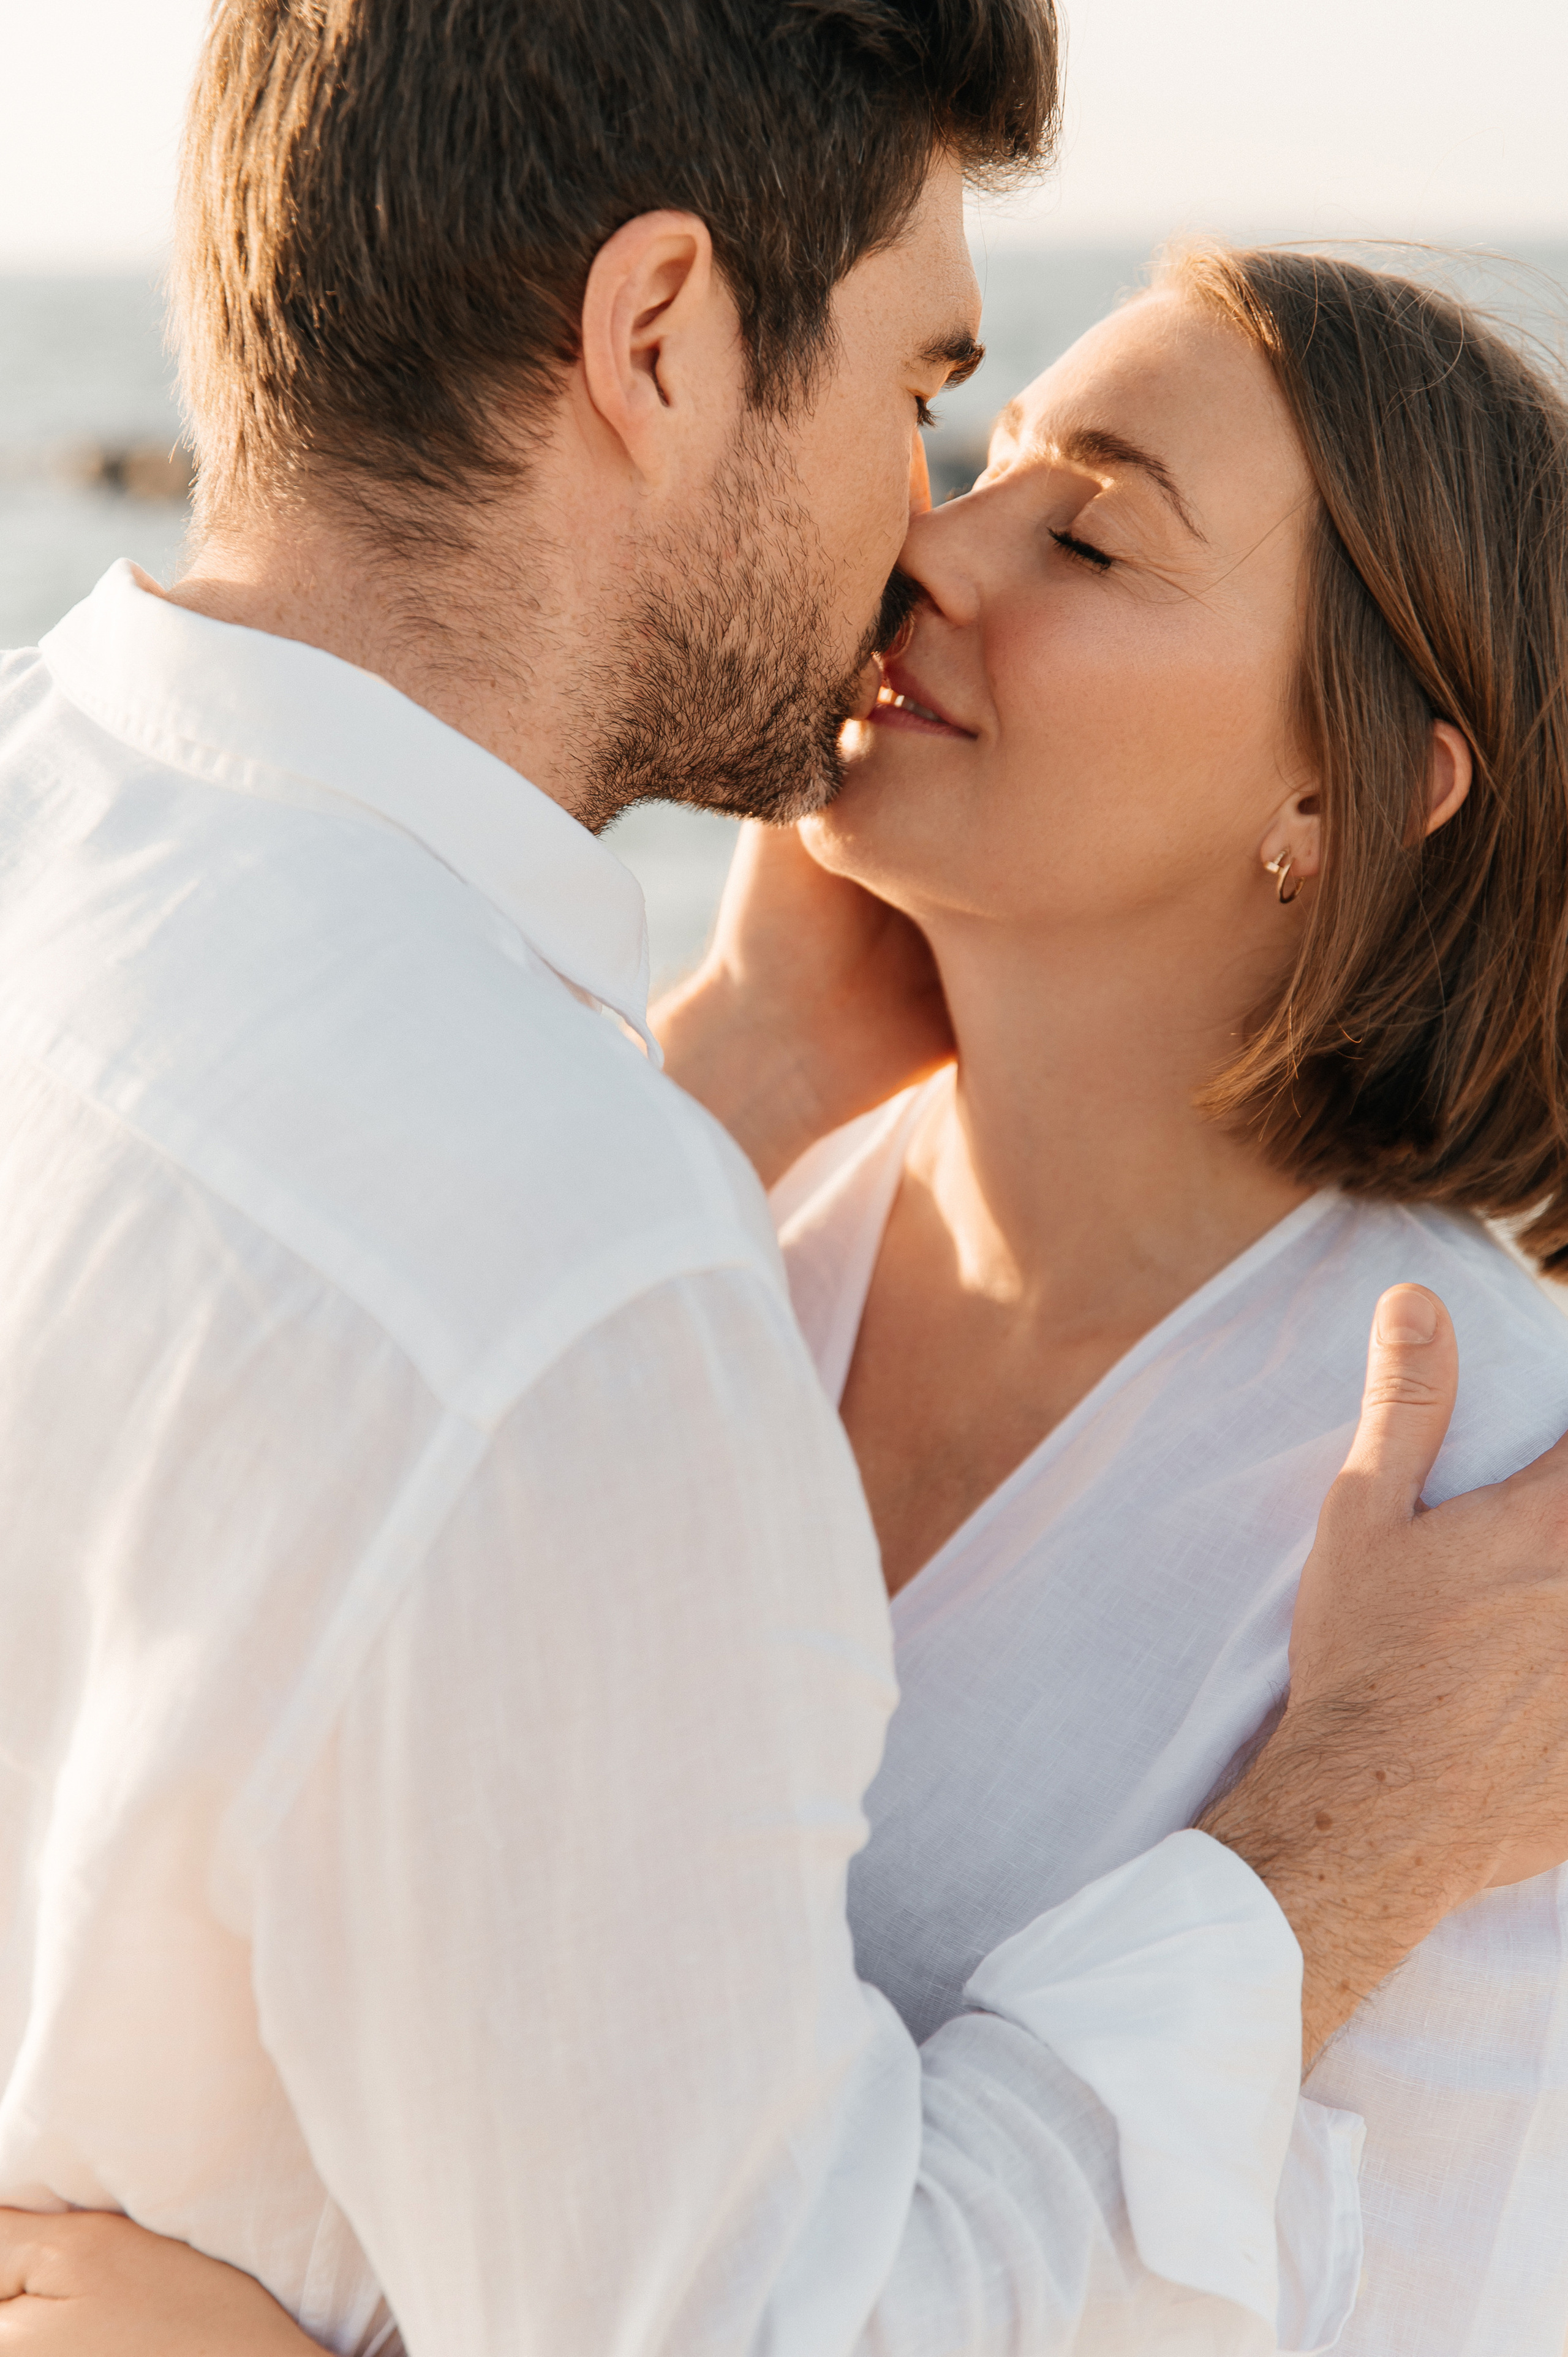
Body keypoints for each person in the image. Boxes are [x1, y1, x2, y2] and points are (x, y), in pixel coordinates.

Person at [4, 4, 1568, 2350]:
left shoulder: (1483, 1514)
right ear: (658, 335)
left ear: (1345, 793)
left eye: (1088, 528)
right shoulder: (635, 1261)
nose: (925, 535)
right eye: (943, 408)